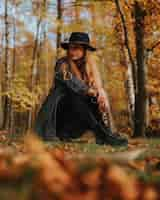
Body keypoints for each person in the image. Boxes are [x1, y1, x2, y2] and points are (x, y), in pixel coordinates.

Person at [33, 32, 128, 146]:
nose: (72, 51)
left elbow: (95, 90)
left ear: (84, 51)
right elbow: (70, 80)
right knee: (76, 96)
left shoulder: (89, 67)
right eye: (70, 48)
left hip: (73, 123)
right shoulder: (61, 64)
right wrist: (88, 90)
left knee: (94, 100)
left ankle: (106, 133)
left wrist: (100, 93)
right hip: (57, 118)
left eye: (76, 48)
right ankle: (102, 134)